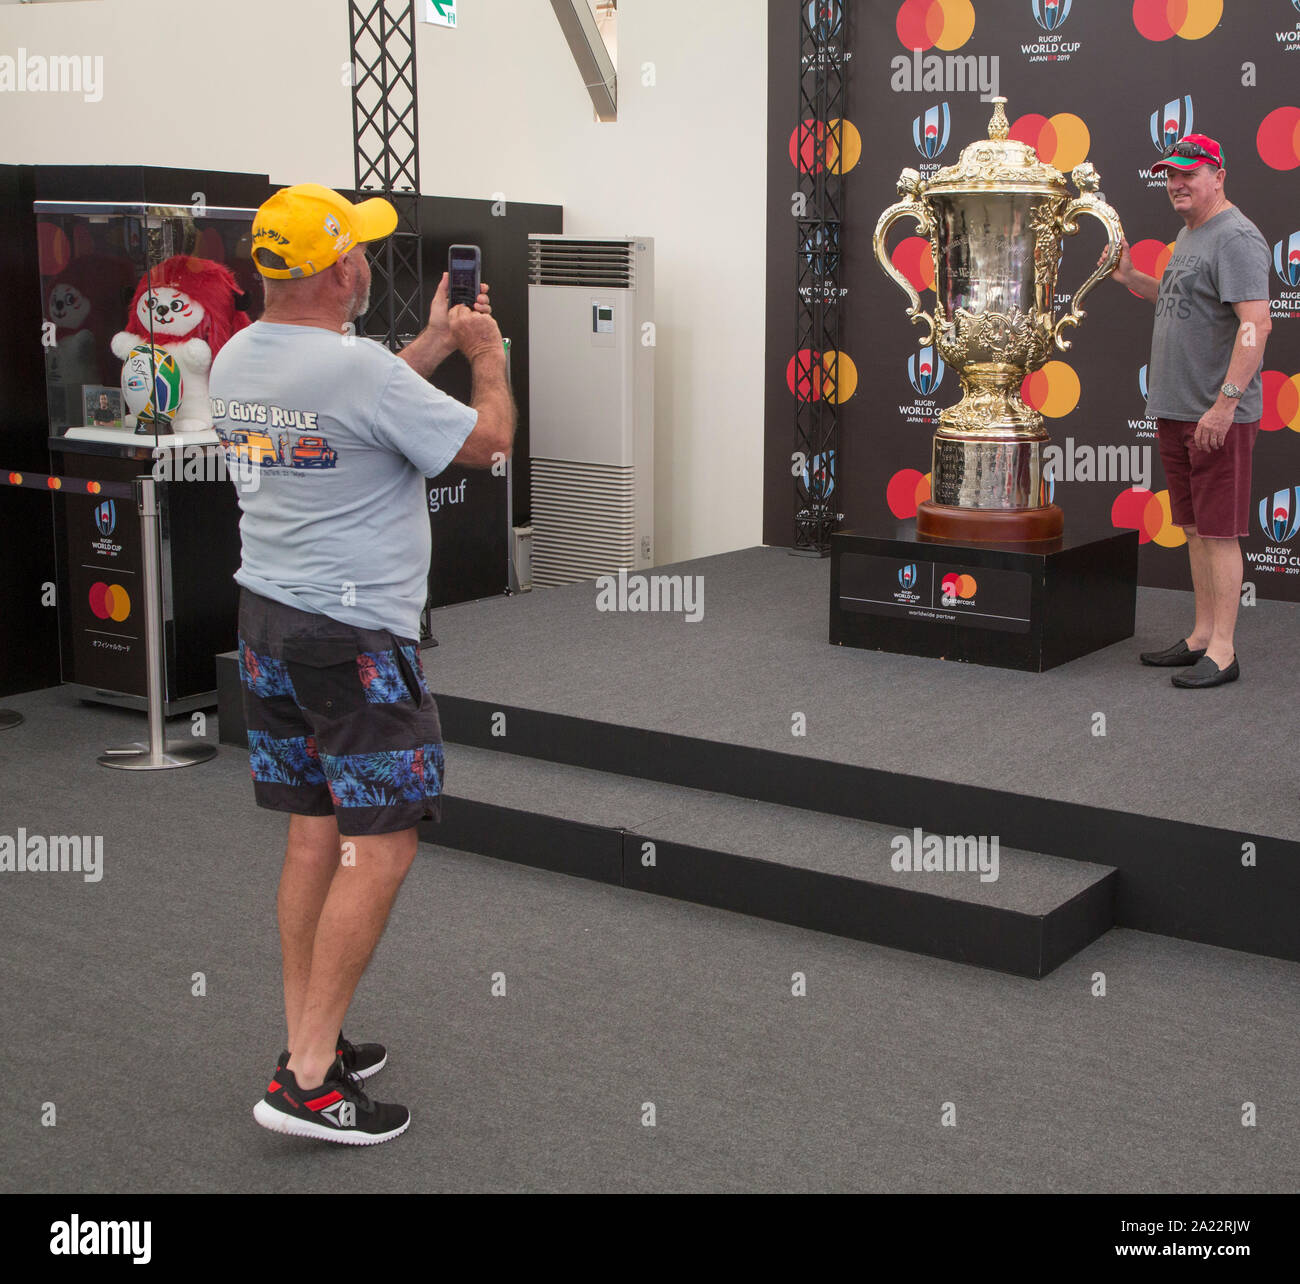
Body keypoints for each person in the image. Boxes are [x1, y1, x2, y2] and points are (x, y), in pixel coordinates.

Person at [210, 183, 514, 1143]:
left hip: (270, 629)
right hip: (355, 647)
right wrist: (486, 359)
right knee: (378, 847)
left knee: (313, 837)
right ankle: (307, 1082)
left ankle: (311, 1039)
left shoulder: (236, 359)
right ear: (343, 269)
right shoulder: (356, 374)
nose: (368, 262)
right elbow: (488, 441)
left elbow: (363, 395)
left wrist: (424, 348)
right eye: (361, 251)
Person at [1106, 134, 1271, 689]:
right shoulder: (1190, 234)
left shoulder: (1237, 236)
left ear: (1218, 175)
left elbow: (1256, 324)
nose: (1176, 183)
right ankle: (1201, 635)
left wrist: (1225, 405)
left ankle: (1224, 651)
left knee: (1219, 533)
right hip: (1179, 410)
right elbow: (1181, 300)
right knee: (1197, 530)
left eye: (1189, 174)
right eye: (1170, 176)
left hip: (1213, 414)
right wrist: (1131, 278)